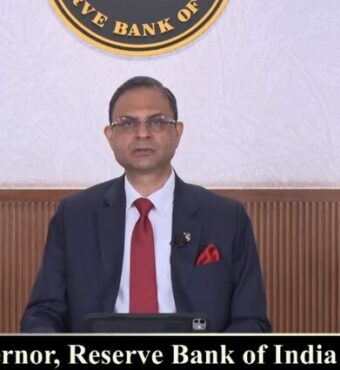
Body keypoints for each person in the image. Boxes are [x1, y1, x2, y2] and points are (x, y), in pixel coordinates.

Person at [20, 76, 271, 332]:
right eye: (127, 123)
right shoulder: (75, 216)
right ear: (110, 136)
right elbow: (43, 314)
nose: (142, 133)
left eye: (157, 121)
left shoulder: (226, 217)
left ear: (178, 132)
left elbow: (251, 321)